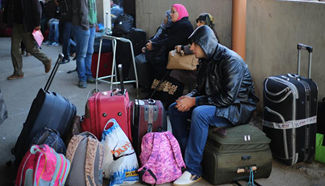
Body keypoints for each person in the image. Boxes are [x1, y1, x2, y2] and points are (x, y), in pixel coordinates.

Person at [169, 25, 259, 186]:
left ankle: (194, 170)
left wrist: (194, 101)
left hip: (237, 109)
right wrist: (188, 98)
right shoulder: (205, 59)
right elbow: (200, 88)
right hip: (219, 103)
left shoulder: (231, 61)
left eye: (195, 44)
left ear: (206, 44)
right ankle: (182, 156)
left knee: (200, 113)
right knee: (174, 108)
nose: (191, 48)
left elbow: (228, 98)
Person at [171, 13, 219, 92]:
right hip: (198, 66)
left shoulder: (209, 35)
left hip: (203, 69)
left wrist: (183, 48)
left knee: (176, 74)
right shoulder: (203, 33)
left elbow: (199, 47)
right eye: (198, 22)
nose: (197, 24)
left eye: (201, 22)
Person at [143, 4, 193, 79]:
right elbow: (165, 38)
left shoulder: (184, 26)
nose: (170, 14)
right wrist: (152, 44)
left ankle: (157, 87)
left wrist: (154, 45)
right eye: (171, 12)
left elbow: (171, 41)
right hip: (171, 52)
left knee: (156, 59)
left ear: (180, 13)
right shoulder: (177, 24)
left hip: (179, 55)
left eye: (173, 12)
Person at [5, 0, 52, 80]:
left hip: (27, 24)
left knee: (30, 48)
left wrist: (37, 24)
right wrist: (6, 20)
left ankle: (46, 60)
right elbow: (9, 6)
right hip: (16, 24)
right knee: (14, 49)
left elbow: (37, 8)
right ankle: (18, 73)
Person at [71, 0, 97, 88]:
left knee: (90, 52)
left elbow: (92, 8)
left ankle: (88, 75)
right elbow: (82, 10)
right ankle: (82, 78)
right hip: (82, 26)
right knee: (82, 54)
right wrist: (85, 26)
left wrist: (94, 23)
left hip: (91, 25)